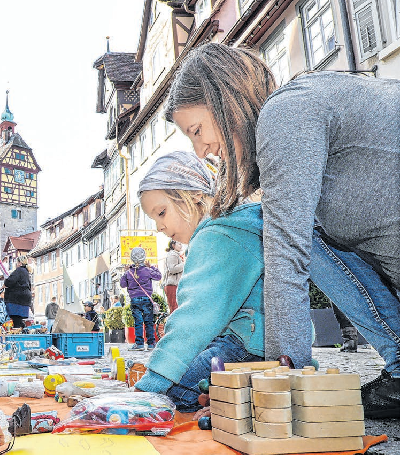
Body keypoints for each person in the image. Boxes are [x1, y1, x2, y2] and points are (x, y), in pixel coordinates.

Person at [166, 42, 400, 418]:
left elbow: (286, 260)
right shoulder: (296, 113)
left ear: (226, 99)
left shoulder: (286, 114)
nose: (199, 150)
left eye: (197, 130)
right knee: (303, 231)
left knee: (291, 236)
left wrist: (280, 389)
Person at [132, 151, 265, 412]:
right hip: (254, 342)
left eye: (161, 212)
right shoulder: (228, 227)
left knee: (171, 395)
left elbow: (194, 318)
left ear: (193, 195)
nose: (159, 226)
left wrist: (153, 382)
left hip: (243, 345)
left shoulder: (215, 235)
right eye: (154, 219)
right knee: (183, 379)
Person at [120, 247, 161, 351]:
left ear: (132, 258)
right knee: (149, 322)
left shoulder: (128, 272)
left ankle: (139, 344)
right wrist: (152, 267)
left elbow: (122, 284)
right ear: (144, 257)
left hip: (134, 299)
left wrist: (124, 272)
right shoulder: (147, 270)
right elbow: (159, 276)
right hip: (147, 299)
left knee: (138, 322)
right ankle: (151, 343)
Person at [2, 255, 33, 329]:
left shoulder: (19, 271)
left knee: (15, 317)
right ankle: (22, 328)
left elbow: (10, 281)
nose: (16, 264)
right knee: (18, 318)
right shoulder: (26, 272)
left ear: (19, 263)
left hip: (16, 299)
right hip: (25, 298)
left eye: (16, 262)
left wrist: (5, 284)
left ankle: (18, 330)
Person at [163, 240, 185, 313]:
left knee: (176, 308)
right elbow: (172, 269)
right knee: (175, 309)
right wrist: (184, 264)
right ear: (173, 245)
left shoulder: (176, 255)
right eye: (179, 244)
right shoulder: (172, 255)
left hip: (175, 285)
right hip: (172, 285)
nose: (181, 245)